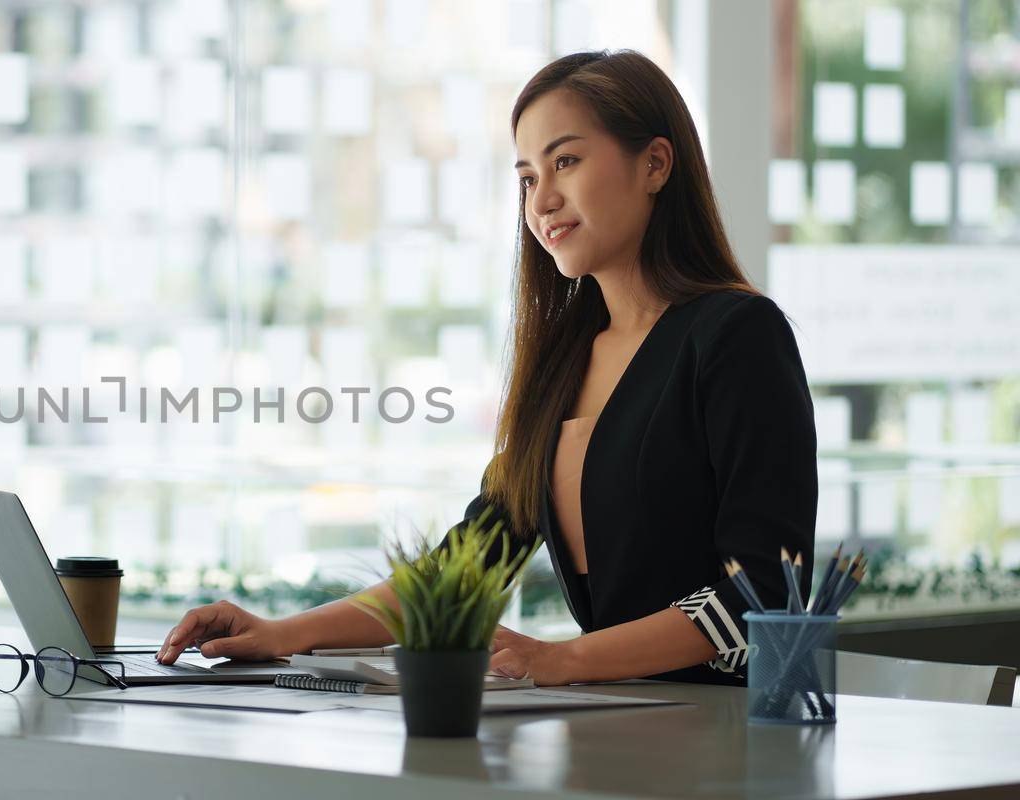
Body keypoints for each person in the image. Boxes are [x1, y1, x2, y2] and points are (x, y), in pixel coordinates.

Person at [153, 49, 817, 687]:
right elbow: (467, 568)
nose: (542, 200)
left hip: (721, 738)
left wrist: (567, 659)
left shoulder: (737, 336)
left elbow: (762, 589)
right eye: (528, 177)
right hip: (614, 725)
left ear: (655, 164)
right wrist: (284, 633)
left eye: (567, 162)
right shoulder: (563, 362)